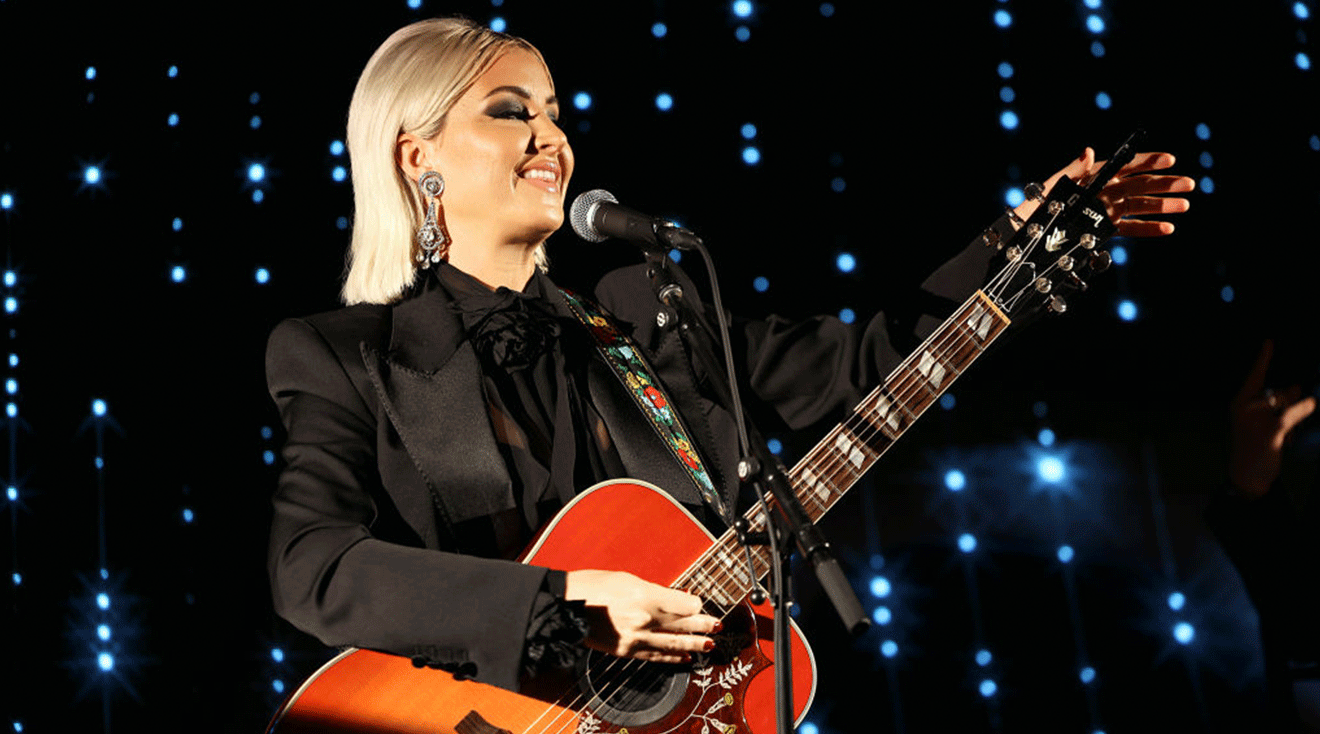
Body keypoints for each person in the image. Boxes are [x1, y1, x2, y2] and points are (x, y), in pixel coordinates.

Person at [264, 17, 1195, 697]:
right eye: (510, 113)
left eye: (554, 111)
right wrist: (561, 599)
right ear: (415, 153)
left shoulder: (645, 314)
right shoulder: (344, 356)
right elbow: (314, 568)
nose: (551, 137)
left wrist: (1012, 247)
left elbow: (866, 366)